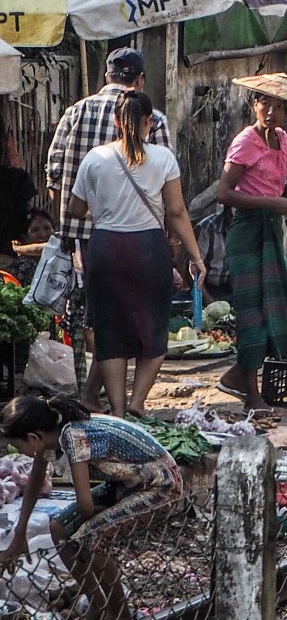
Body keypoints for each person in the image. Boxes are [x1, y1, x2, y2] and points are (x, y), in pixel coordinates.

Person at [66, 91, 203, 418]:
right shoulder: (164, 158)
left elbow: (75, 208)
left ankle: (117, 410)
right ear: (149, 122)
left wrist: (103, 207)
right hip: (147, 251)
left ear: (115, 121)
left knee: (110, 331)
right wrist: (195, 257)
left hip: (106, 250)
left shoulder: (95, 158)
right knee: (153, 328)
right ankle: (138, 401)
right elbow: (177, 212)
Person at [0, 392, 181, 620]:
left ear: (34, 438)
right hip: (127, 482)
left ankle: (120, 614)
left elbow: (85, 506)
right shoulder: (52, 438)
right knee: (58, 528)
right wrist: (19, 533)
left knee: (92, 537)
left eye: (19, 445)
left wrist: (106, 511)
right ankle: (97, 604)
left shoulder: (74, 439)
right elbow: (35, 478)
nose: (19, 451)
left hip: (159, 484)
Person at [218, 74, 287, 410]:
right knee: (250, 312)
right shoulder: (246, 141)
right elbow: (224, 193)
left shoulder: (283, 140)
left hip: (271, 228)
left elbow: (273, 188)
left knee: (279, 304)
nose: (270, 111)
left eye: (278, 106)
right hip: (247, 231)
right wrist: (270, 203)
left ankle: (237, 374)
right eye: (264, 103)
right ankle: (250, 392)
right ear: (254, 105)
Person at [44, 48, 169, 255]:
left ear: (106, 77)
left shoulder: (74, 113)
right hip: (138, 236)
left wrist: (65, 226)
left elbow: (54, 175)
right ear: (140, 79)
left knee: (89, 288)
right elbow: (166, 183)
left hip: (79, 239)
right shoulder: (153, 119)